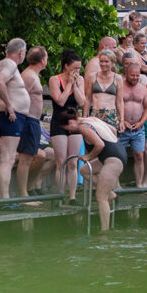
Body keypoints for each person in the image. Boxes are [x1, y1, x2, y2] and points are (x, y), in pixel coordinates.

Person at [58, 108, 125, 231]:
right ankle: (110, 193)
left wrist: (88, 156)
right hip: (115, 154)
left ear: (71, 122)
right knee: (84, 170)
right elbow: (113, 130)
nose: (69, 132)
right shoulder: (92, 119)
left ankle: (104, 233)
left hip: (113, 159)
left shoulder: (83, 127)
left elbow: (100, 145)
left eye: (67, 129)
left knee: (101, 197)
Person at [0, 38, 30, 200]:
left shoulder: (0, 64)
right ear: (21, 52)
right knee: (8, 159)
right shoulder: (10, 65)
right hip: (10, 117)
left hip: (9, 117)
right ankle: (5, 199)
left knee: (9, 158)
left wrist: (0, 100)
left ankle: (5, 198)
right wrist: (8, 105)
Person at [49, 49, 86, 205]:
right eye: (74, 68)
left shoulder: (80, 80)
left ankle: (72, 196)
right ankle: (60, 195)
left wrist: (75, 85)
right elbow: (60, 101)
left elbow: (82, 101)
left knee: (73, 162)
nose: (77, 71)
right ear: (66, 66)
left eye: (79, 68)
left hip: (74, 122)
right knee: (61, 162)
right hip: (59, 121)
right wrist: (69, 84)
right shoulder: (54, 80)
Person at [16, 46, 52, 204]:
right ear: (43, 60)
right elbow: (17, 99)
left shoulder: (34, 75)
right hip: (27, 121)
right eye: (47, 57)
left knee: (49, 155)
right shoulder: (28, 76)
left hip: (34, 122)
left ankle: (30, 188)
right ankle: (23, 196)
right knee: (26, 159)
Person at [119, 53, 147, 193]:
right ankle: (116, 184)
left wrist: (141, 123)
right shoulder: (120, 86)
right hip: (122, 127)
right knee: (118, 156)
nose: (135, 78)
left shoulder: (143, 89)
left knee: (139, 155)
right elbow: (115, 105)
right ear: (126, 73)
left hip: (138, 128)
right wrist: (122, 121)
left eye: (137, 76)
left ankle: (139, 184)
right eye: (132, 75)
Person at [84, 49, 124, 132]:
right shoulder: (92, 77)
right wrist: (84, 117)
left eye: (106, 61)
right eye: (101, 61)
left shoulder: (117, 78)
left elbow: (120, 102)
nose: (103, 64)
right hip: (96, 114)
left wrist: (122, 120)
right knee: (95, 138)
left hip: (111, 114)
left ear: (112, 63)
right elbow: (88, 99)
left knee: (112, 138)